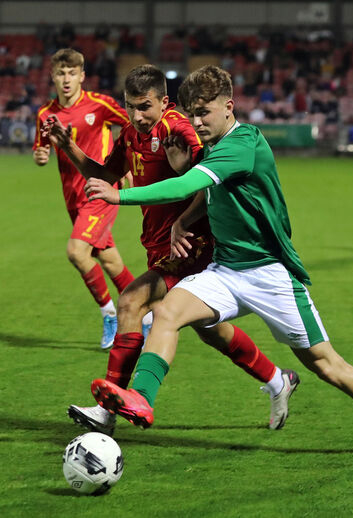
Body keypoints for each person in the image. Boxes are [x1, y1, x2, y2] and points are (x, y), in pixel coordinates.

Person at [85, 66, 353, 460]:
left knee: (328, 366)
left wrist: (118, 197)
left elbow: (185, 185)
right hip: (226, 270)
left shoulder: (242, 143)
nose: (196, 122)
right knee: (167, 313)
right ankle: (140, 399)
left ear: (228, 107)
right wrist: (182, 221)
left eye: (204, 113)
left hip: (269, 274)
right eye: (191, 114)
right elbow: (198, 191)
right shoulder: (210, 146)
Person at [46, 64, 299, 436]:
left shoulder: (180, 128)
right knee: (209, 327)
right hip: (159, 243)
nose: (136, 115)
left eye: (145, 106)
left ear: (164, 101)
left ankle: (110, 409)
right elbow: (104, 176)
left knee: (132, 301)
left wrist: (185, 188)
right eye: (130, 106)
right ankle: (278, 378)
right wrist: (67, 146)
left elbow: (210, 179)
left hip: (192, 244)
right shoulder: (132, 133)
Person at [32, 48, 136, 349]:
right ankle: (147, 311)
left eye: (72, 73)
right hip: (73, 198)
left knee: (78, 252)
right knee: (109, 259)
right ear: (53, 77)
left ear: (82, 76)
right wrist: (40, 156)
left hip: (100, 190)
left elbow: (132, 125)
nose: (66, 79)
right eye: (61, 73)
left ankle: (110, 315)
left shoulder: (99, 105)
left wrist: (124, 162)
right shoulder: (45, 114)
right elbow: (42, 150)